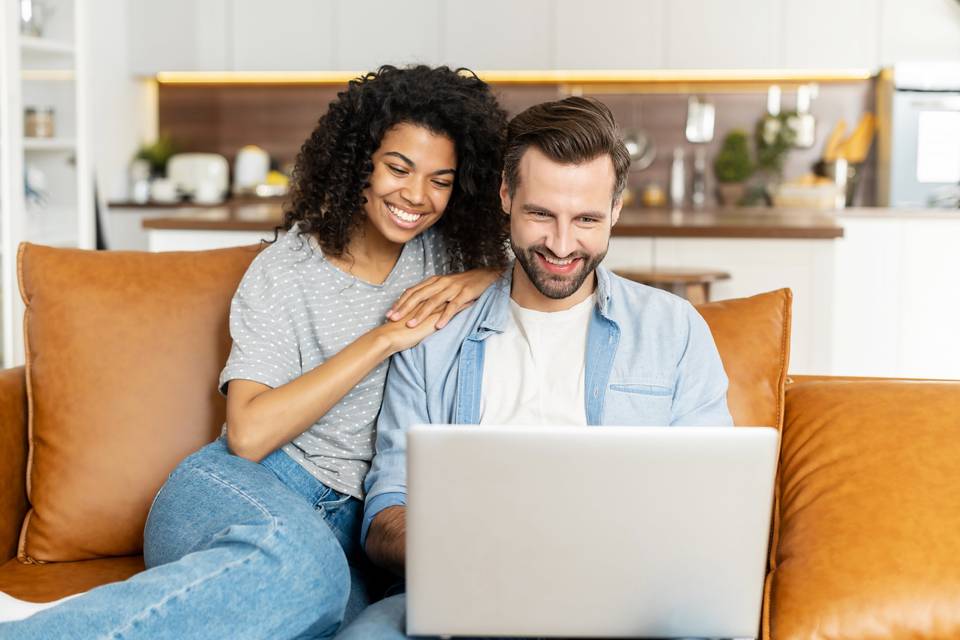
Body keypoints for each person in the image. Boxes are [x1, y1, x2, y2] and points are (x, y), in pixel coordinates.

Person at [1, 65, 510, 640]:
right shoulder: (286, 269)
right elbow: (247, 433)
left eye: (440, 180)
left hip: (359, 529)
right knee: (307, 573)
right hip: (244, 487)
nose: (416, 196)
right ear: (360, 163)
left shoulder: (446, 260)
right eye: (398, 168)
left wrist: (485, 276)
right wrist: (382, 338)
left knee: (358, 616)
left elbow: (549, 266)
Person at [335, 96, 733, 638]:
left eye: (587, 219)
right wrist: (463, 551)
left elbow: (709, 507)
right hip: (466, 595)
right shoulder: (433, 334)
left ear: (616, 209)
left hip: (622, 601)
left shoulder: (674, 330)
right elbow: (386, 515)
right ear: (506, 194)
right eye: (541, 214)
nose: (562, 246)